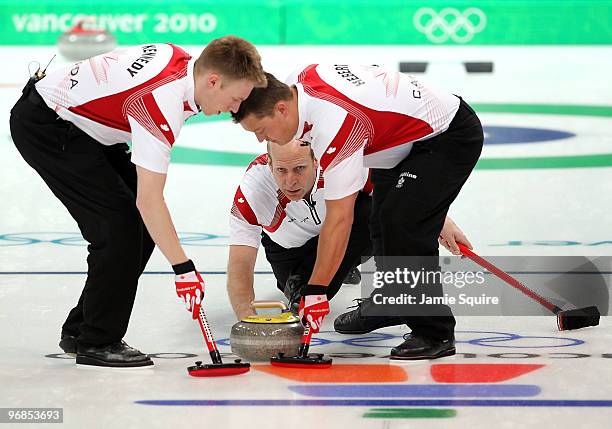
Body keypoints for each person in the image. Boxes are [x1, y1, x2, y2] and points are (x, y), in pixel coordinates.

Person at [9, 36, 266, 368]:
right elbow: (149, 200)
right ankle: (97, 341)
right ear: (213, 80)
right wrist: (183, 269)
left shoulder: (180, 60)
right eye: (235, 98)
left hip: (84, 126)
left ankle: (81, 328)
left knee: (136, 231)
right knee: (119, 230)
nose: (234, 109)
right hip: (48, 126)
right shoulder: (162, 102)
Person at [231, 67, 483, 360]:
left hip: (445, 136)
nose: (261, 140)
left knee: (404, 224)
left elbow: (340, 219)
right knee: (383, 220)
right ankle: (393, 300)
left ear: (282, 109)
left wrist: (316, 290)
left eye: (261, 130)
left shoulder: (335, 125)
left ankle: (434, 332)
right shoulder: (293, 87)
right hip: (395, 141)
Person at [227, 138, 471, 324]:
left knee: (375, 208)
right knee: (301, 301)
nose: (290, 181)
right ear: (269, 164)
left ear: (316, 160)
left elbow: (398, 192)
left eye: (300, 168)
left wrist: (440, 220)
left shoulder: (339, 163)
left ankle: (347, 264)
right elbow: (240, 266)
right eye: (281, 170)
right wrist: (248, 322)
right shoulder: (253, 191)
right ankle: (338, 266)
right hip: (291, 251)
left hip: (342, 231)